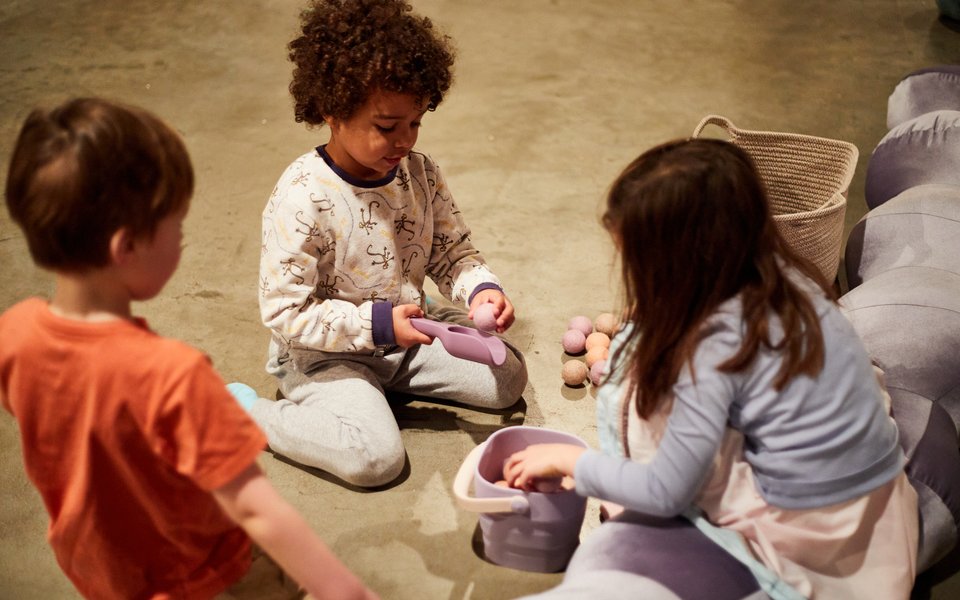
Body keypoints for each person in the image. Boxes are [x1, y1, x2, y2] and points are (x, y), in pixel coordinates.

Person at [504, 139, 919, 598]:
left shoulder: (714, 344)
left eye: (641, 264)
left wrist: (577, 462)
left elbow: (666, 491)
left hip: (814, 541)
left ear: (684, 263)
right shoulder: (789, 280)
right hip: (882, 508)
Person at [0, 97, 376, 600]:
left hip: (101, 573)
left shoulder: (14, 335)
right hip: (206, 576)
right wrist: (346, 591)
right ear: (125, 247)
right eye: (176, 225)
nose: (183, 239)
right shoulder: (172, 375)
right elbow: (253, 507)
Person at [252, 0, 527, 488]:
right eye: (386, 127)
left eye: (415, 122)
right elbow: (285, 312)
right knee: (374, 460)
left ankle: (375, 394)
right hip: (323, 354)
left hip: (406, 333)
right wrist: (377, 325)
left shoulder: (419, 173)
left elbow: (452, 250)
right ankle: (251, 415)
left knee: (508, 379)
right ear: (333, 111)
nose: (405, 140)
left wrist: (480, 289)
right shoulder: (303, 196)